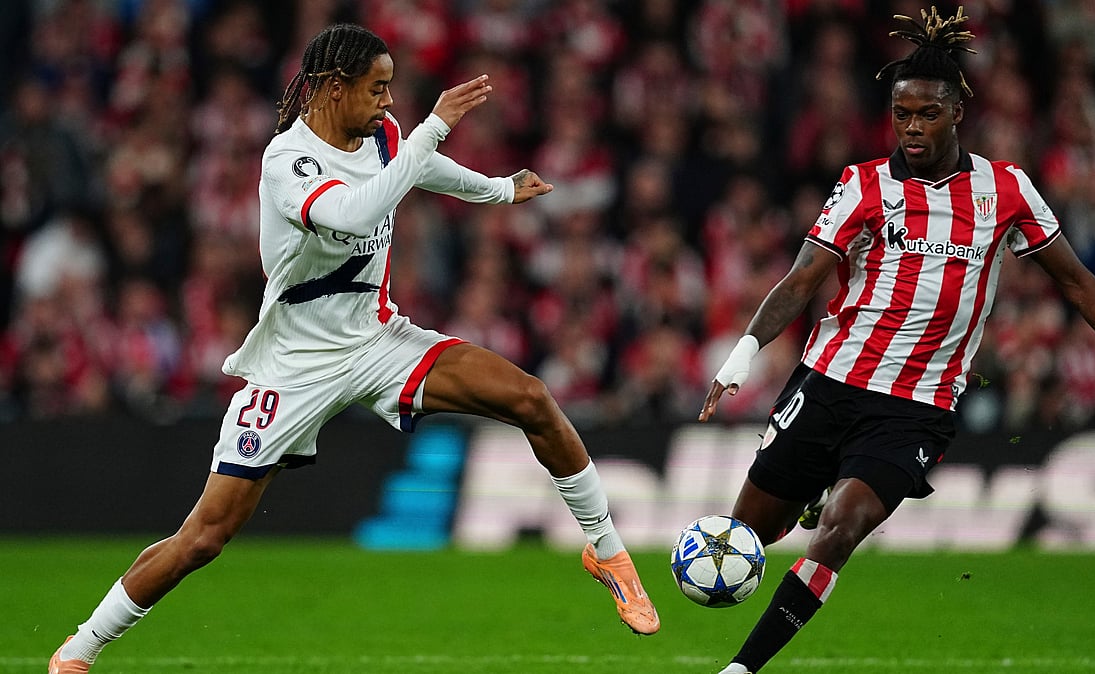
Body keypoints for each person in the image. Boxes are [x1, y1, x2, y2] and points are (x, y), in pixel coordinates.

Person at [49, 22, 659, 673]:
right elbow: (353, 214)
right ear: (334, 88)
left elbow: (423, 168)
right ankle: (79, 651)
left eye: (392, 89)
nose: (389, 103)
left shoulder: (384, 136)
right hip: (294, 368)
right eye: (377, 88)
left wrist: (500, 189)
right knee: (204, 537)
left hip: (377, 339)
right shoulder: (288, 162)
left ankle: (605, 549)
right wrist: (434, 128)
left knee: (531, 398)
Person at [696, 7, 1095, 673]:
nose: (912, 128)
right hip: (829, 380)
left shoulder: (1006, 190)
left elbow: (1077, 283)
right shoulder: (862, 184)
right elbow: (804, 275)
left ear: (957, 113)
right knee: (746, 536)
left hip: (916, 404)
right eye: (902, 115)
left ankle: (741, 669)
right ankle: (805, 494)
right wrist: (742, 352)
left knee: (842, 526)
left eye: (927, 114)